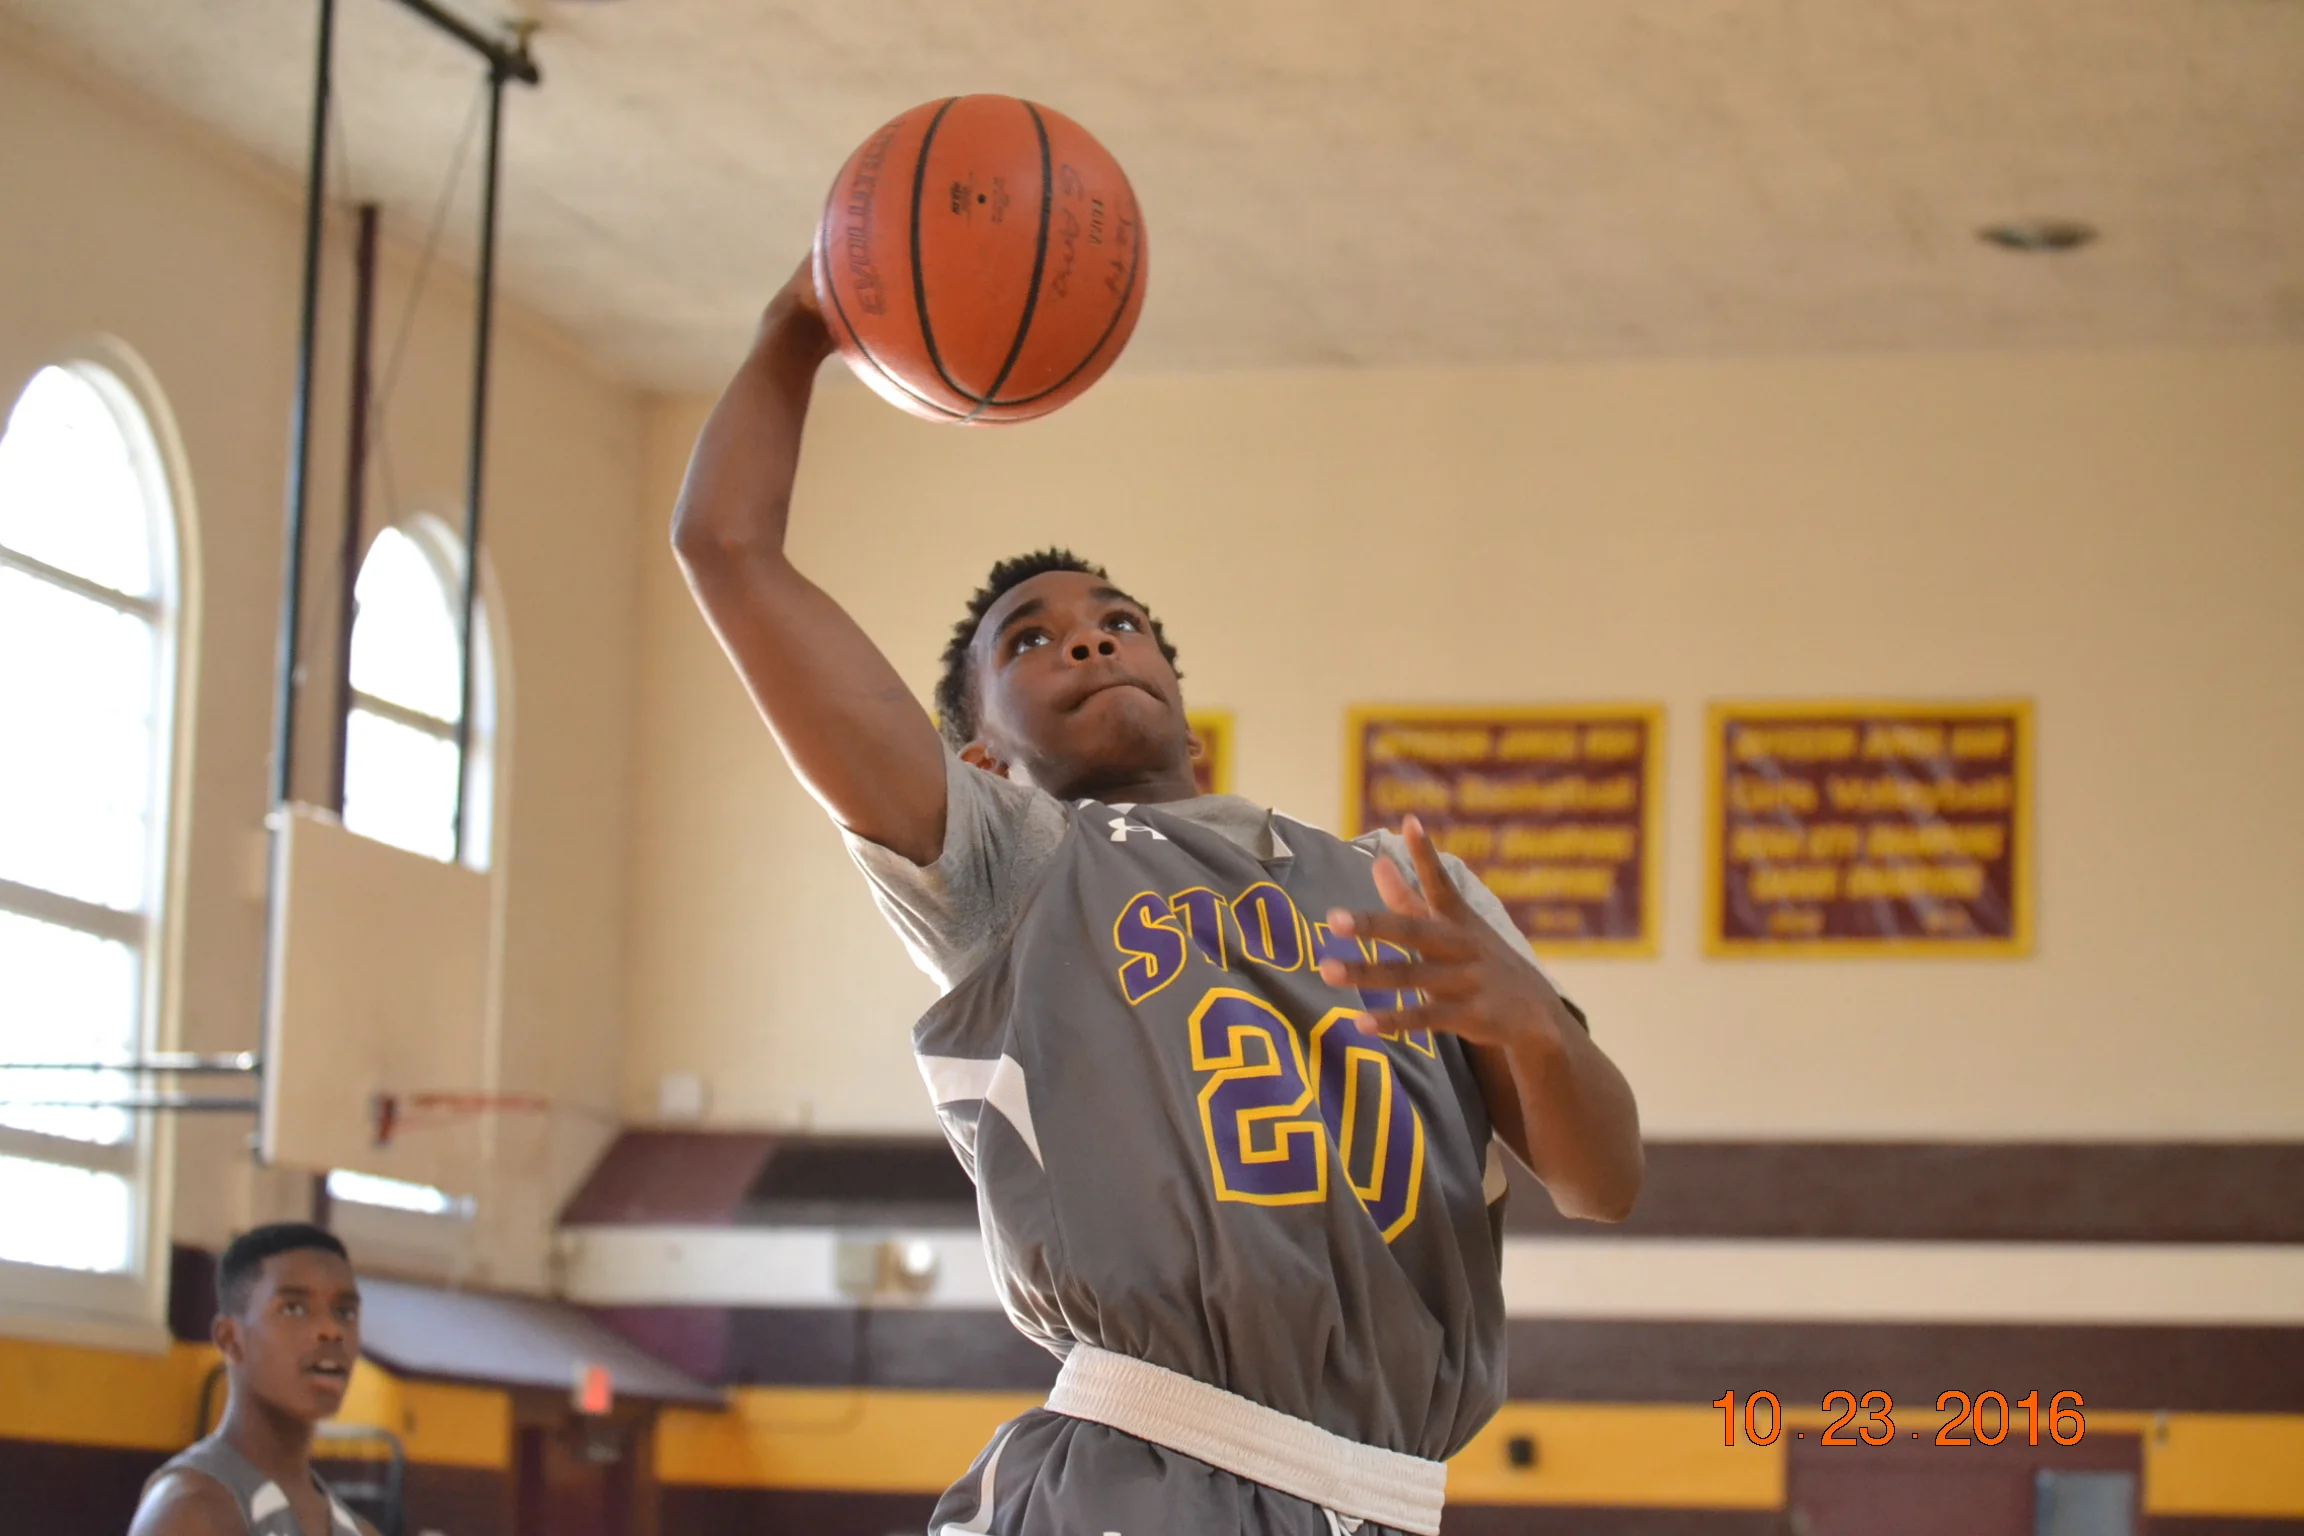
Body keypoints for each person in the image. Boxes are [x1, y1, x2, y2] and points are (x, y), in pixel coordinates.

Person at [672, 259, 1645, 1536]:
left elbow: (1607, 1183)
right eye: (1029, 639)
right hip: (1149, 1475)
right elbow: (726, 549)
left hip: (1383, 1499)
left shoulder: (1409, 886)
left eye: (1117, 620)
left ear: (1178, 688)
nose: (1086, 637)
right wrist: (797, 327)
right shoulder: (1012, 867)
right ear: (975, 755)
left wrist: (1534, 1024)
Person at [130, 1223, 374, 1536]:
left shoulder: (358, 1530)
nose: (331, 1329)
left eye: (345, 1312)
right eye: (294, 1308)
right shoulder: (188, 1510)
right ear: (230, 1339)